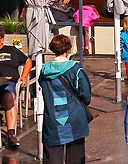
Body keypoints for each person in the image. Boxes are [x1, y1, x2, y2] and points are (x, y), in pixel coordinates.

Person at [40, 34, 92, 164]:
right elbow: (85, 94)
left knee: (52, 158)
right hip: (75, 118)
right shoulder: (76, 69)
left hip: (52, 119)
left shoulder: (44, 70)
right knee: (75, 158)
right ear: (68, 49)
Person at [0, 26, 32, 148]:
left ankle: (11, 134)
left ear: (2, 39)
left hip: (8, 83)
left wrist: (24, 76)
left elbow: (28, 61)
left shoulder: (12, 50)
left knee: (9, 96)